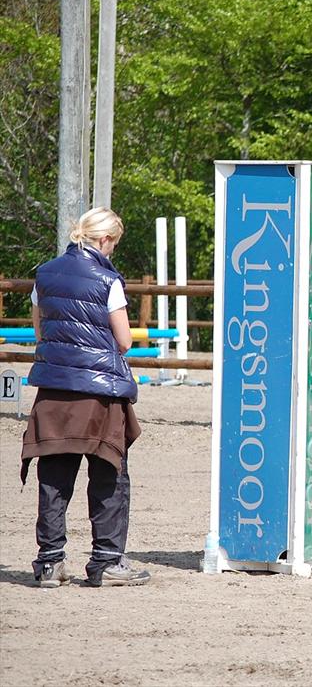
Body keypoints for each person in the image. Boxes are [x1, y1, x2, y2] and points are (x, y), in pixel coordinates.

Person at [21, 207, 150, 587]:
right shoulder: (107, 279)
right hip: (98, 393)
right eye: (115, 245)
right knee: (109, 474)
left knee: (54, 476)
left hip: (54, 391)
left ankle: (49, 562)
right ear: (105, 240)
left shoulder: (43, 275)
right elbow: (124, 341)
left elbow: (41, 332)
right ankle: (107, 561)